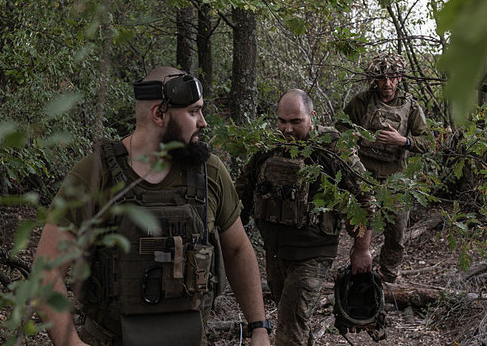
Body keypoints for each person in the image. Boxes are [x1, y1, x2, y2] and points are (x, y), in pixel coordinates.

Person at [33, 67, 271, 346]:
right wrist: (70, 343)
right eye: (193, 112)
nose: (203, 122)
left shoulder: (210, 173)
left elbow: (237, 248)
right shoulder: (94, 175)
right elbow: (45, 272)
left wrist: (259, 328)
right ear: (159, 114)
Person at [236, 89, 373, 346]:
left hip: (313, 252)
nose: (287, 129)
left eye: (295, 121)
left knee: (289, 329)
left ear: (312, 117)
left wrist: (362, 248)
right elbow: (241, 192)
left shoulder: (332, 148)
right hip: (276, 251)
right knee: (295, 323)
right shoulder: (268, 146)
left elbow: (364, 198)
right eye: (282, 121)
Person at [337, 52, 432, 283]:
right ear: (374, 79)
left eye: (392, 77)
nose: (387, 83)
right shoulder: (361, 102)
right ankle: (358, 277)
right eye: (381, 78)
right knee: (360, 230)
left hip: (396, 178)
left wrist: (403, 141)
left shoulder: (411, 106)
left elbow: (428, 142)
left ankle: (388, 279)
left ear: (399, 77)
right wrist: (356, 137)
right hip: (363, 175)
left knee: (397, 234)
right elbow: (340, 129)